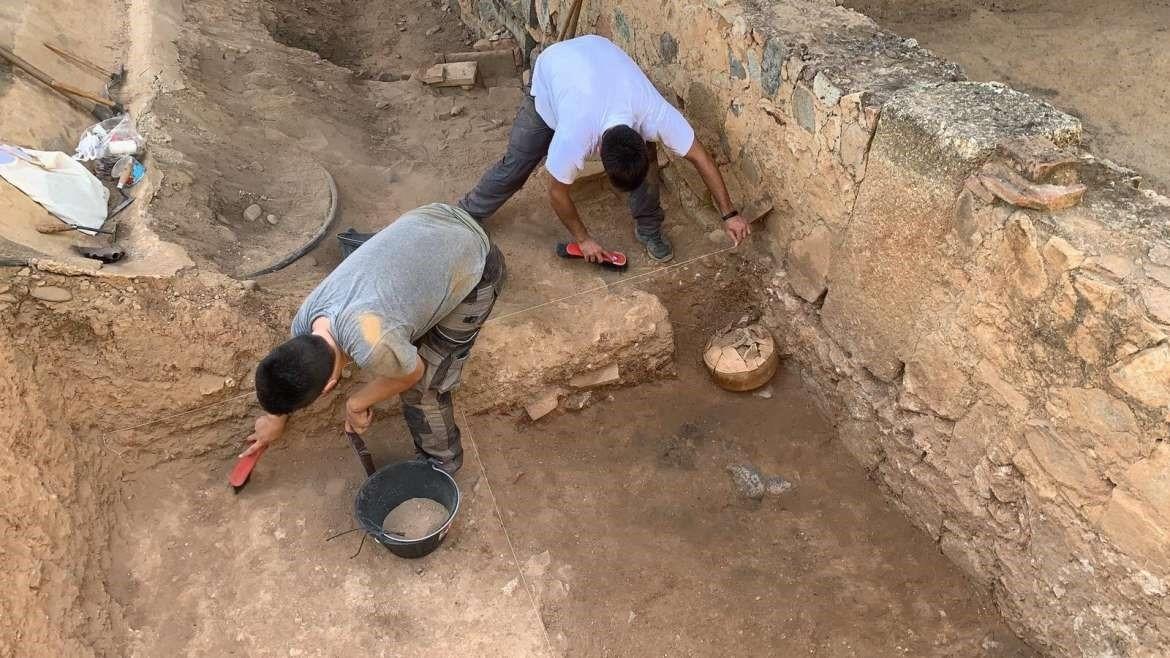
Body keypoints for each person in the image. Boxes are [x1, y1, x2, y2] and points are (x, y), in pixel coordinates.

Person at [240, 203, 505, 474]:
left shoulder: (372, 344)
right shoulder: (305, 319)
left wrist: (357, 403)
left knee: (425, 387)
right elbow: (288, 371)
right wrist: (275, 417)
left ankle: (441, 465)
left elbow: (412, 374)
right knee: (404, 342)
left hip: (477, 260)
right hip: (431, 218)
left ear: (329, 385)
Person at [458, 34, 750, 264]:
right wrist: (582, 239)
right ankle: (467, 212)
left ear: (641, 135)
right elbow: (557, 192)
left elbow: (700, 156)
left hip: (599, 52)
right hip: (553, 71)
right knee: (518, 163)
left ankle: (649, 228)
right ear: (598, 155)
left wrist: (730, 214)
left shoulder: (654, 113)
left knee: (644, 166)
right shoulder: (575, 135)